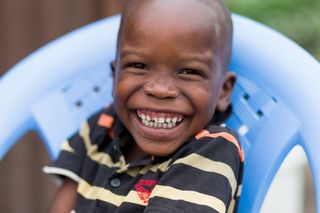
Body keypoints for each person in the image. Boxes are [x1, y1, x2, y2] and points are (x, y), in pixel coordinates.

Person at [44, 0, 244, 212]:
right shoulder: (101, 128)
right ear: (115, 76)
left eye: (189, 71)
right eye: (138, 66)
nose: (159, 89)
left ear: (224, 91)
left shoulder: (213, 149)